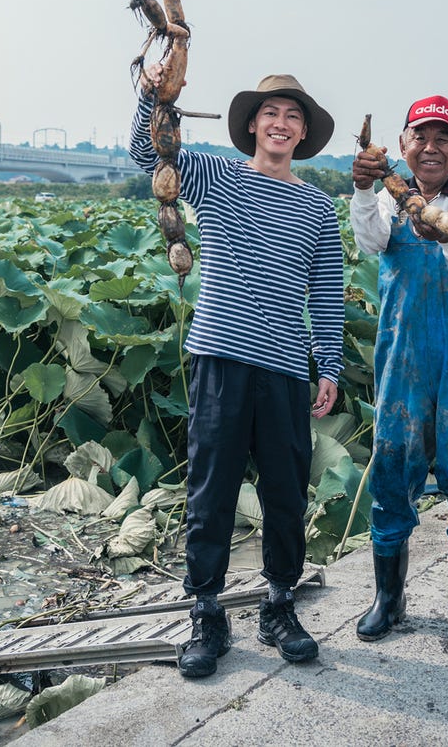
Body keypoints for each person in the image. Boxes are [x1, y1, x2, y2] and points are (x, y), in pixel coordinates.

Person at [130, 71, 344, 677]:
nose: (281, 124)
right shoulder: (215, 176)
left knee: (285, 492)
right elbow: (148, 153)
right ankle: (206, 613)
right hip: (220, 356)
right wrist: (152, 94)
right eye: (271, 112)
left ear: (303, 134)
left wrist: (328, 364)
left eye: (293, 117)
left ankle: (279, 605)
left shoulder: (318, 206)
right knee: (211, 490)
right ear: (252, 124)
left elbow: (327, 291)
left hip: (285, 366)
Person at [350, 94, 448, 655]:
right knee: (392, 471)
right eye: (421, 136)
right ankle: (388, 599)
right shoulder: (388, 201)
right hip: (405, 361)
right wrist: (363, 190)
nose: (431, 147)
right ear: (403, 144)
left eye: (444, 137)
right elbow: (369, 242)